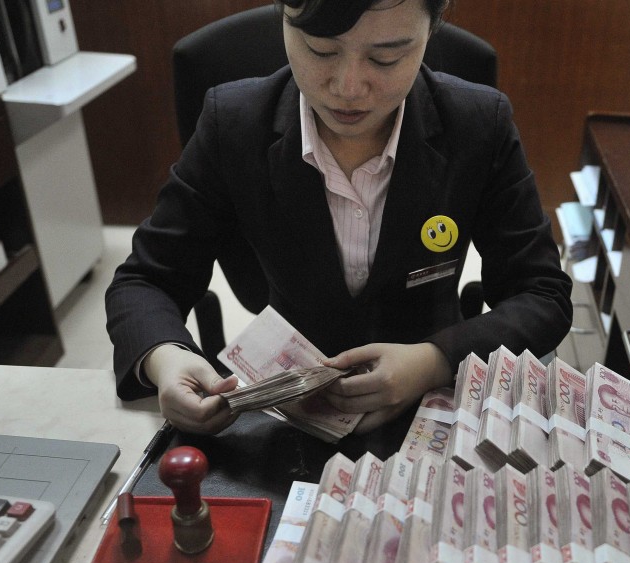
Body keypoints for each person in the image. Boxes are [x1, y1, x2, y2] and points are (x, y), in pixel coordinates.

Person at [105, 0, 572, 438]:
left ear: (432, 29)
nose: (348, 87)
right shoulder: (233, 122)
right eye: (320, 50)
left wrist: (432, 361)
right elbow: (146, 280)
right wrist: (165, 358)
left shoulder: (478, 124)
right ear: (283, 19)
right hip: (287, 408)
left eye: (387, 58)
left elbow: (542, 294)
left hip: (431, 403)